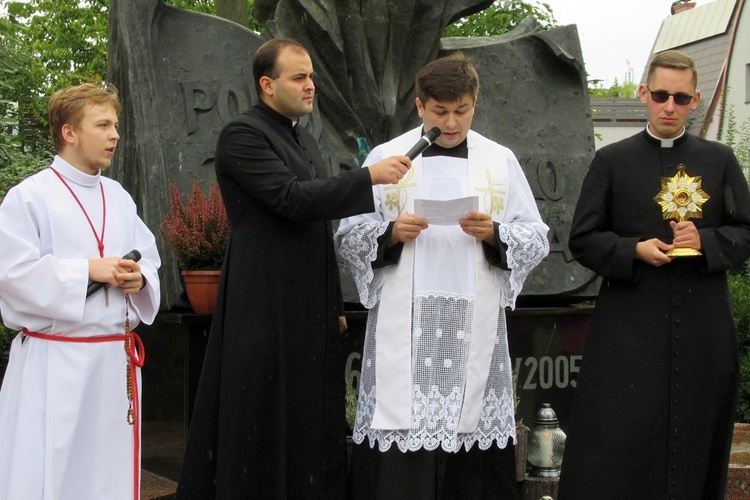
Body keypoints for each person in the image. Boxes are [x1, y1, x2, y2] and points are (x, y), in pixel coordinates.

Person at [175, 38, 411, 499]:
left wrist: (333, 303)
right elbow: (291, 200)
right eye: (299, 77)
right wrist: (368, 177)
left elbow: (318, 231)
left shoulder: (301, 138)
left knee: (306, 418)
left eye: (311, 76)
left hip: (306, 305)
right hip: (264, 302)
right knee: (262, 417)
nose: (310, 86)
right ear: (267, 84)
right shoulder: (242, 136)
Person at [335, 52, 550, 499]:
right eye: (440, 111)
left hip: (473, 323)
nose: (451, 122)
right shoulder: (387, 157)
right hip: (405, 323)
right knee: (401, 450)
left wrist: (495, 233)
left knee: (469, 453)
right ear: (419, 106)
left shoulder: (499, 159)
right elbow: (349, 236)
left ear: (474, 103)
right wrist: (392, 233)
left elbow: (535, 237)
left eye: (462, 110)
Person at [558, 50, 750, 499]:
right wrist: (633, 250)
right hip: (630, 330)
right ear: (644, 93)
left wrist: (704, 241)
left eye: (681, 98)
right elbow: (582, 238)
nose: (669, 106)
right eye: (661, 94)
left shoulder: (720, 161)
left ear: (695, 100)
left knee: (697, 442)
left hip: (703, 329)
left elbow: (746, 232)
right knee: (622, 446)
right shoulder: (612, 160)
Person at [0, 83, 161, 499]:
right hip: (55, 363)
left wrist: (139, 279)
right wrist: (86, 271)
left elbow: (149, 259)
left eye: (116, 125)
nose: (115, 135)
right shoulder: (30, 197)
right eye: (103, 125)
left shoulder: (119, 196)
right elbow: (11, 276)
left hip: (113, 363)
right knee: (53, 477)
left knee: (107, 478)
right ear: (69, 132)